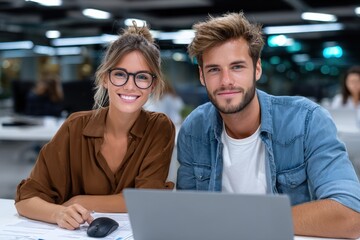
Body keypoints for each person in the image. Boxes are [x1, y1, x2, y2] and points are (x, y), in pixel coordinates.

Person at [176, 12, 360, 239]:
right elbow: (188, 216)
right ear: (202, 76)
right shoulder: (193, 130)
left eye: (237, 67)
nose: (226, 81)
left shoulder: (307, 121)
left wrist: (246, 221)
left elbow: (350, 215)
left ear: (257, 69)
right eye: (214, 69)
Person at [15, 23, 175, 230]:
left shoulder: (159, 128)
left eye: (142, 77)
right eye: (120, 74)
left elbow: (146, 201)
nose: (130, 85)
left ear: (152, 85)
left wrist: (79, 200)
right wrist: (59, 213)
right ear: (105, 78)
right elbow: (26, 199)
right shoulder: (75, 127)